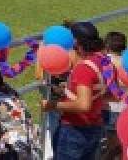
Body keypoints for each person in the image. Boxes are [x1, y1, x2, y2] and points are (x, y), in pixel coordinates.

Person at [43, 21, 109, 160]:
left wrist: (53, 105)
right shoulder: (104, 61)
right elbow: (108, 93)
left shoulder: (83, 68)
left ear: (76, 41)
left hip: (74, 130)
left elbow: (83, 105)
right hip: (95, 127)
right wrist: (70, 91)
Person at [100, 31, 128, 160]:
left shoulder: (105, 62)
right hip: (125, 108)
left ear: (107, 46)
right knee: (118, 143)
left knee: (109, 146)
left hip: (108, 108)